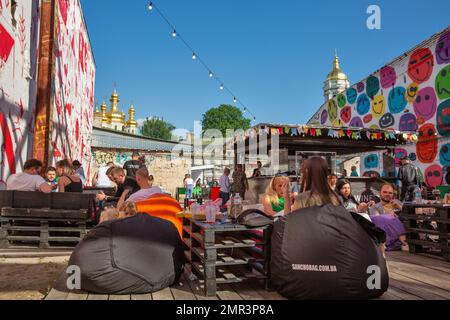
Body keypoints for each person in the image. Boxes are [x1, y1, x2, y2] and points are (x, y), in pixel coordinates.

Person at [370, 184, 408, 251]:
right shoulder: (375, 206)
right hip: (388, 234)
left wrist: (400, 207)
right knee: (379, 218)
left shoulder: (398, 203)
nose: (387, 194)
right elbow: (377, 222)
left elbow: (408, 216)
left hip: (403, 230)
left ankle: (402, 243)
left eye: (390, 193)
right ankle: (402, 243)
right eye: (385, 192)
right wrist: (388, 216)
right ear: (380, 193)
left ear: (393, 194)